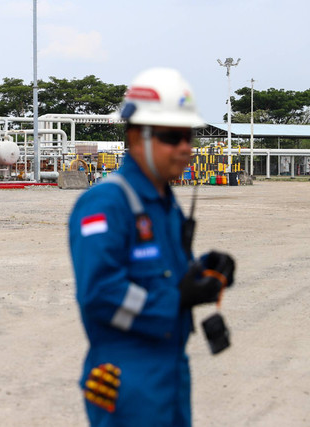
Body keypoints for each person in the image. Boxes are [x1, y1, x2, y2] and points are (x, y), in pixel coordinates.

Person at [68, 68, 235, 427]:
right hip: (127, 379)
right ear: (136, 137)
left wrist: (207, 268)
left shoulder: (163, 202)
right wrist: (177, 300)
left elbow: (167, 273)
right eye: (172, 137)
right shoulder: (105, 204)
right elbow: (100, 294)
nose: (185, 148)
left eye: (188, 136)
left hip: (171, 370)